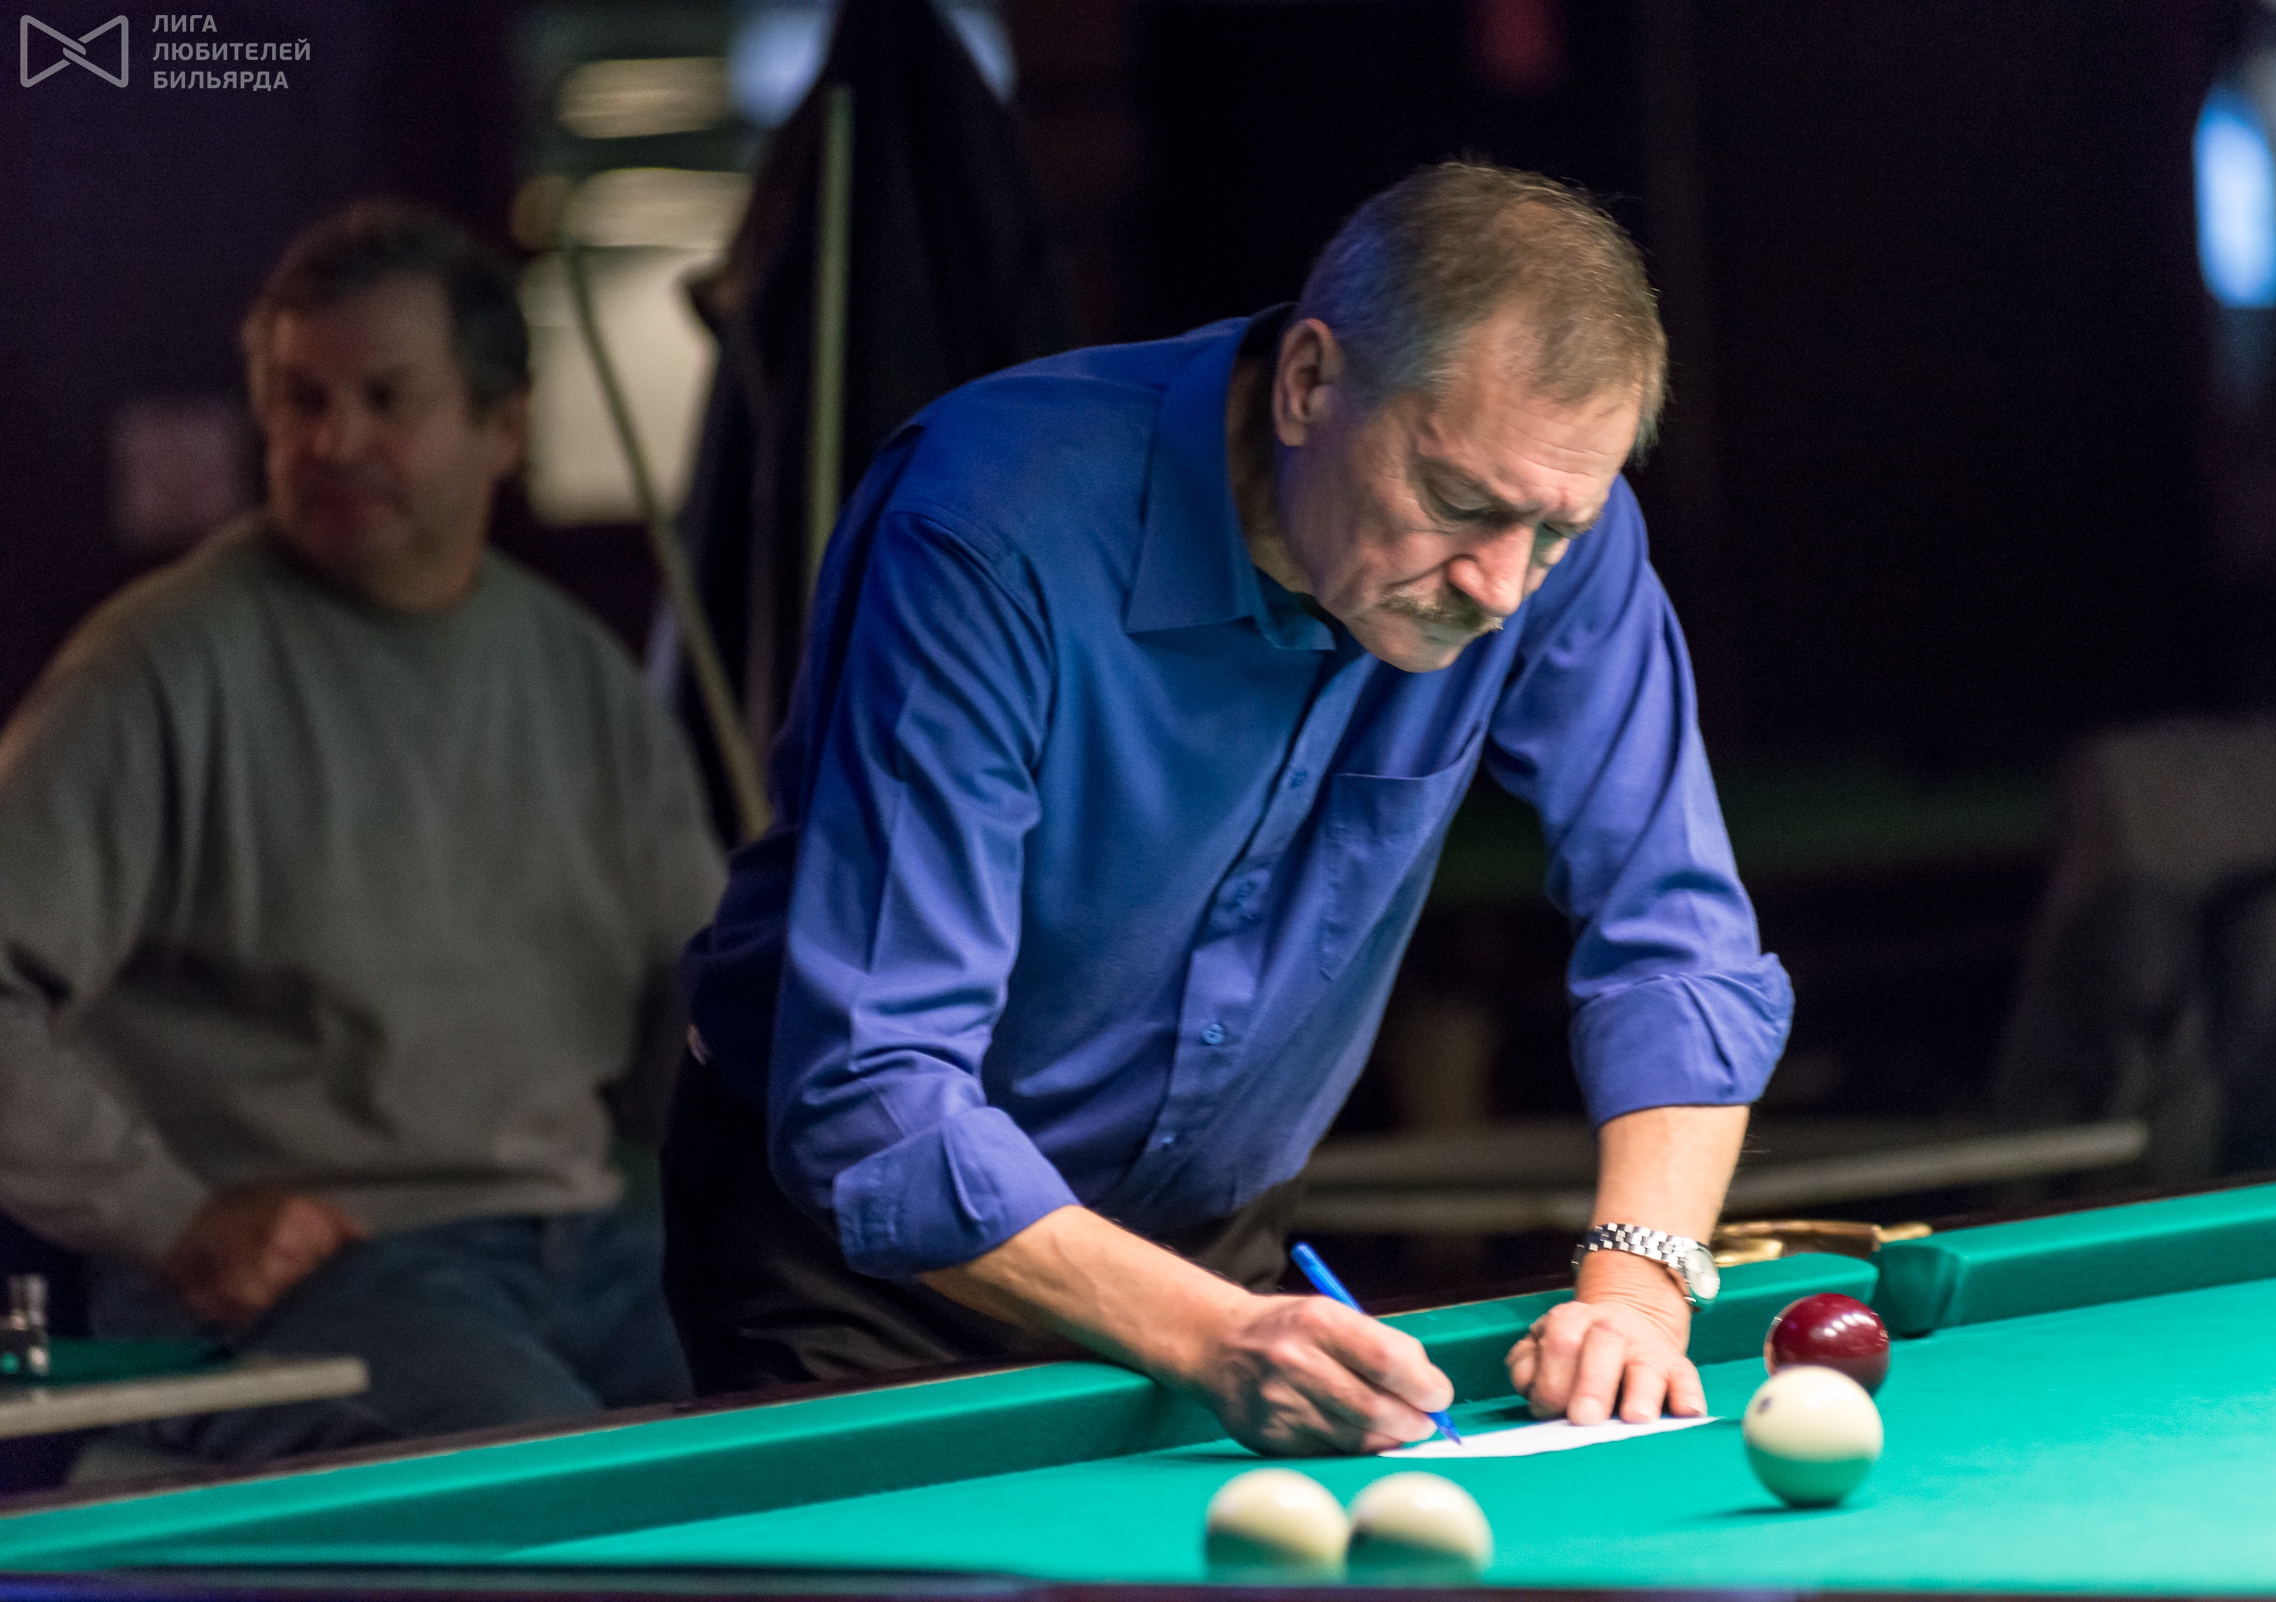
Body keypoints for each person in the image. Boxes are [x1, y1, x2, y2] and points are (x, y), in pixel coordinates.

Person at [666, 162, 1791, 1454]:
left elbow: (1676, 938)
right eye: (1456, 504)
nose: (1498, 585)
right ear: (1309, 381)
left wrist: (1638, 1287)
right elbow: (874, 1084)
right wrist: (1204, 1333)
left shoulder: (1543, 525)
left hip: (1208, 1244)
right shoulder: (989, 525)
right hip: (857, 1264)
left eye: (1553, 533)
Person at [0, 200, 726, 1464]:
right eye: (299, 400)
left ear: (504, 426)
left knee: (826, 1394)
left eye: (386, 400)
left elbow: (698, 1002)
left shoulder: (576, 671)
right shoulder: (159, 666)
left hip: (588, 1234)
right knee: (544, 1463)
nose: (330, 442)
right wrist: (168, 1215)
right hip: (308, 1269)